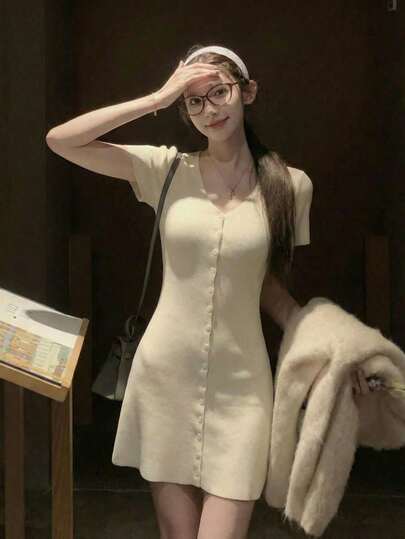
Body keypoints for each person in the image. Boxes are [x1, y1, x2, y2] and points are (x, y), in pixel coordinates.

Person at [46, 43, 376, 539]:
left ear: (248, 92)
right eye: (194, 100)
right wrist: (156, 99)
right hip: (165, 379)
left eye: (219, 92)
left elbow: (268, 289)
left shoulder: (291, 186)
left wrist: (334, 347)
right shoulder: (165, 169)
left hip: (243, 389)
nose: (209, 109)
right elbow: (61, 140)